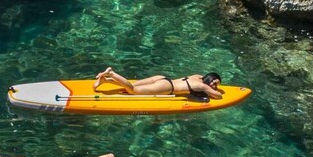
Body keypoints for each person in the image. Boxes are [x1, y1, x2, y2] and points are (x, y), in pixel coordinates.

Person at [93, 66, 223, 99]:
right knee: (132, 90)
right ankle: (111, 73)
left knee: (135, 85)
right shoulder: (201, 85)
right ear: (210, 79)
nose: (214, 86)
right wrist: (216, 91)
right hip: (167, 87)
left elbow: (205, 79)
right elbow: (218, 96)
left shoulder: (198, 77)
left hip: (162, 78)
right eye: (215, 83)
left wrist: (212, 82)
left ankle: (106, 80)